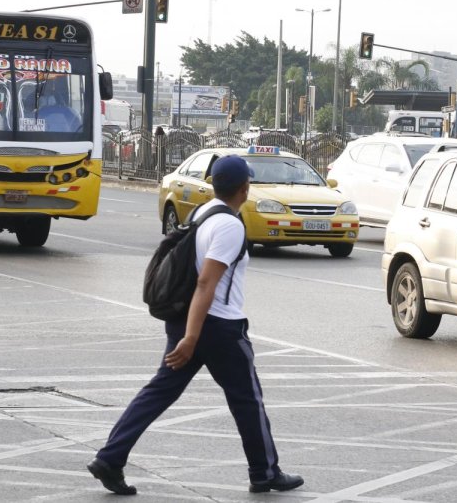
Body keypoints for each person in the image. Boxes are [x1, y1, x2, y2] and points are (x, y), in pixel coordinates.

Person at [87, 155, 304, 496]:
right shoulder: (230, 225)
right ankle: (264, 472)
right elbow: (207, 282)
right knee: (247, 399)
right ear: (244, 188)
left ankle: (110, 459)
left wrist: (187, 332)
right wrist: (192, 337)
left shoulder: (203, 213)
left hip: (185, 318)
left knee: (159, 392)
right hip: (217, 328)